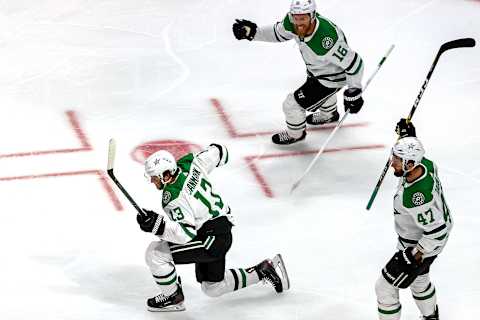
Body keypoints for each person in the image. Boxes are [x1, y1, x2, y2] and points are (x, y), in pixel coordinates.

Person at [136, 144, 290, 311]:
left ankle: (172, 297)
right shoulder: (190, 164)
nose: (152, 180)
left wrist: (158, 226)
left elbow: (185, 235)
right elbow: (220, 151)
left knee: (155, 253)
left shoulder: (173, 198)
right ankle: (264, 270)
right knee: (212, 287)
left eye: (154, 177)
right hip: (221, 230)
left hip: (209, 241)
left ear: (166, 174)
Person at [232, 0, 365, 145]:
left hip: (331, 78)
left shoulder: (326, 39)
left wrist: (354, 91)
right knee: (320, 94)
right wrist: (254, 33)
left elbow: (355, 63)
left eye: (303, 18)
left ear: (312, 15)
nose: (299, 22)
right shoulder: (291, 23)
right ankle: (329, 114)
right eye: (296, 17)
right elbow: (278, 33)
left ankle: (295, 134)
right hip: (317, 70)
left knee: (292, 105)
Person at [374, 119, 453, 320]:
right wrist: (408, 136)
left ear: (409, 164)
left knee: (384, 288)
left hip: (421, 244)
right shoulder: (424, 164)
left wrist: (415, 253)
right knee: (419, 281)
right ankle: (430, 317)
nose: (392, 161)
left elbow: (437, 232)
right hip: (422, 240)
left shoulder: (417, 198)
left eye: (397, 159)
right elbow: (414, 151)